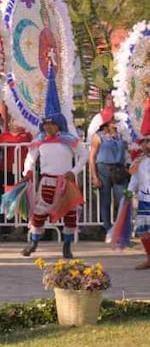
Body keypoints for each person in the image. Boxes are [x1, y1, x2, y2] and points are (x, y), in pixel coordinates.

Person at [21, 65, 87, 259]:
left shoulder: (69, 139)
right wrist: (28, 171)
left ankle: (67, 247)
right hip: (47, 181)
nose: (48, 127)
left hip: (66, 181)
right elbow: (30, 158)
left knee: (70, 213)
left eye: (51, 123)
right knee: (39, 212)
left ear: (58, 124)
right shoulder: (39, 140)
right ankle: (33, 244)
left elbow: (84, 155)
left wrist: (74, 171)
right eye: (46, 123)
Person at [88, 105, 127, 239]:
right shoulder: (98, 136)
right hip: (103, 169)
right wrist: (94, 176)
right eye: (112, 120)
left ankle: (120, 229)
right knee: (105, 200)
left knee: (122, 199)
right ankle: (108, 229)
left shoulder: (120, 136)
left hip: (119, 169)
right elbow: (92, 157)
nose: (115, 122)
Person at [124, 110, 150, 269]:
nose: (147, 145)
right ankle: (149, 257)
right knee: (144, 230)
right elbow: (134, 179)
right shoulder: (139, 161)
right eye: (145, 141)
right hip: (144, 199)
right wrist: (129, 190)